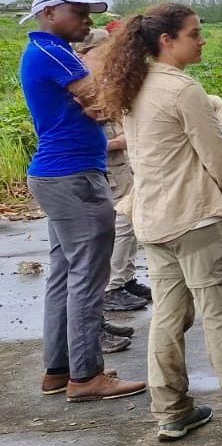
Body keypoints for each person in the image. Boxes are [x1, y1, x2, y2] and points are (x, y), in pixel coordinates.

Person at [97, 3, 222, 441]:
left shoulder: (136, 85)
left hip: (152, 218)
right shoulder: (182, 89)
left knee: (168, 317)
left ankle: (171, 409)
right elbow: (216, 156)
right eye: (194, 33)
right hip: (194, 218)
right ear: (167, 41)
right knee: (218, 313)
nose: (202, 39)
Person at [21, 0, 147, 403]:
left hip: (56, 176)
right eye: (79, 12)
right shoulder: (53, 51)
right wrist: (105, 97)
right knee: (87, 277)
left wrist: (95, 102)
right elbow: (101, 100)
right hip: (74, 177)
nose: (86, 20)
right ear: (51, 12)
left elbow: (94, 103)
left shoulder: (44, 53)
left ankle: (58, 370)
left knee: (64, 275)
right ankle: (87, 376)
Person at [77, 28, 149, 321]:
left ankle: (125, 278)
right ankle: (113, 286)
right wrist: (122, 140)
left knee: (129, 223)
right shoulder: (79, 86)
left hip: (120, 164)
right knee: (121, 225)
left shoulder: (101, 83)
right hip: (109, 165)